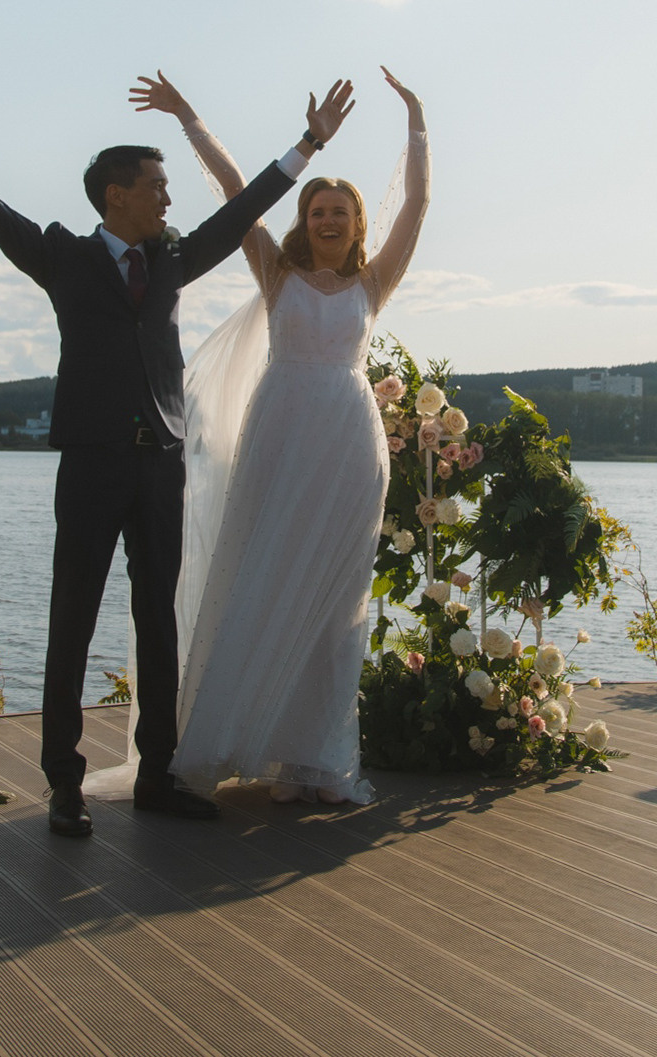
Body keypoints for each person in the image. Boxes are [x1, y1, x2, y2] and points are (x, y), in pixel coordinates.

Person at [0, 81, 355, 838]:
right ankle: (64, 784)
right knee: (73, 619)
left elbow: (236, 215)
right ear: (115, 195)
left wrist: (309, 145)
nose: (167, 198)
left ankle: (157, 772)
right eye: (157, 186)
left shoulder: (170, 257)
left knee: (158, 623)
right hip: (92, 462)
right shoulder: (63, 256)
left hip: (160, 460)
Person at [129, 66, 428, 805]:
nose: (328, 220)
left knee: (335, 603)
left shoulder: (372, 284)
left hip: (349, 446)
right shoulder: (274, 269)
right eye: (318, 209)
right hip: (281, 431)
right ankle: (231, 740)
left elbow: (418, 203)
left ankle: (314, 760)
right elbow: (235, 190)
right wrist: (188, 117)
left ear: (358, 224)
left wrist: (417, 123)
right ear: (304, 219)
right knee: (260, 580)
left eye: (340, 212)